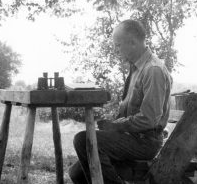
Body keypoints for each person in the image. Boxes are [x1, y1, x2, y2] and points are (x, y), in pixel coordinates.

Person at [69, 19, 172, 184]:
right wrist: (113, 125)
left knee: (82, 140)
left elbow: (149, 119)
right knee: (76, 174)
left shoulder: (153, 70)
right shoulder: (137, 68)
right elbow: (131, 112)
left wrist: (116, 126)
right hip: (132, 136)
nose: (116, 50)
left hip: (145, 142)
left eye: (118, 45)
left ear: (132, 42)